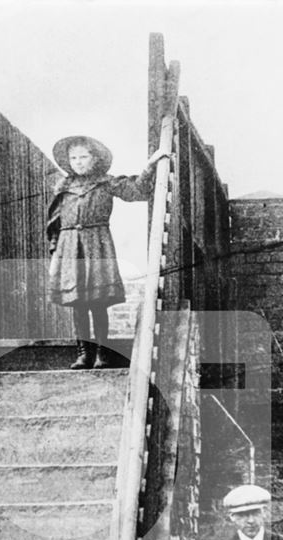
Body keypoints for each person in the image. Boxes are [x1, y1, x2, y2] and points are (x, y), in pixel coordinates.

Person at [47, 135, 168, 370]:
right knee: (77, 302)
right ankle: (84, 354)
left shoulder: (106, 182)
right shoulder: (63, 187)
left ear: (95, 159)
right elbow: (54, 222)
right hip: (69, 246)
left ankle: (103, 352)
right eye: (74, 158)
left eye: (84, 157)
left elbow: (137, 191)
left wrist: (151, 165)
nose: (79, 162)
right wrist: (55, 251)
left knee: (97, 301)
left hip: (97, 244)